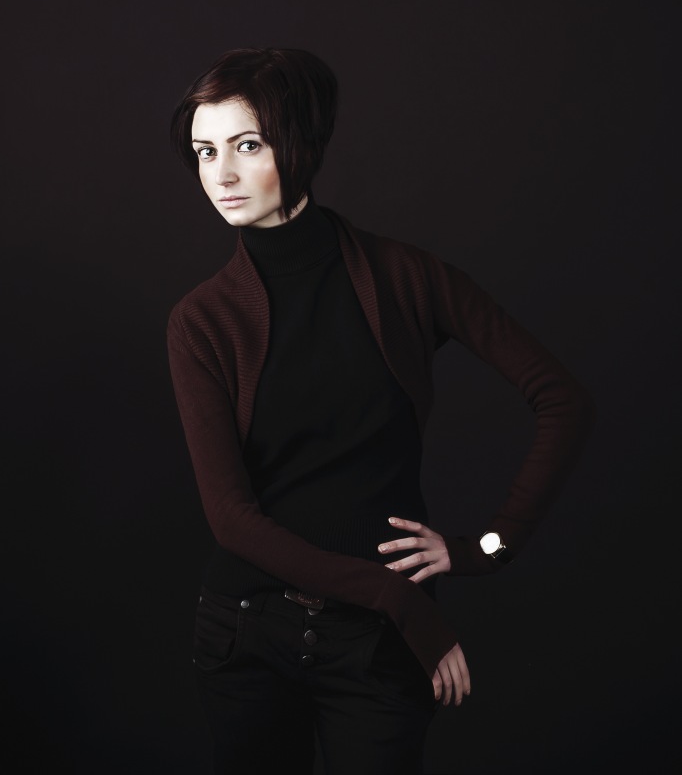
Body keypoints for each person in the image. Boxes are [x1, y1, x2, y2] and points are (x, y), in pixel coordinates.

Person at [166, 46, 595, 775]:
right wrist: (397, 598)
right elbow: (232, 520)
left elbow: (563, 400)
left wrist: (486, 547)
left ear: (300, 144)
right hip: (247, 636)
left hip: (375, 650)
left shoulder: (406, 277)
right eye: (207, 152)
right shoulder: (202, 320)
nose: (223, 175)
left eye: (248, 145)